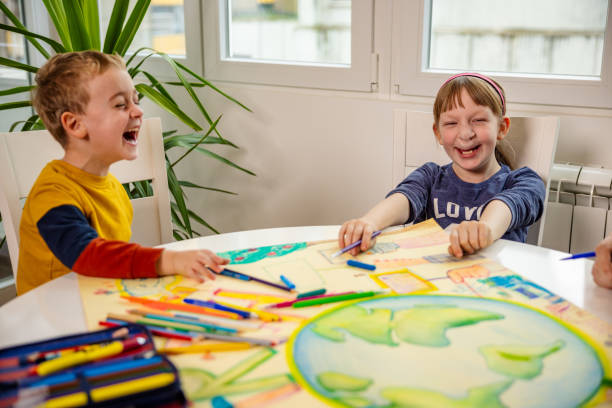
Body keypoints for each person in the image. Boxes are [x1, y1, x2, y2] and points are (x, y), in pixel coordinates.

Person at [16, 51, 228, 295]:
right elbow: (87, 254)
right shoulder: (52, 193)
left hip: (99, 302)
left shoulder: (113, 187)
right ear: (75, 124)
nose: (137, 111)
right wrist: (169, 260)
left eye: (136, 101)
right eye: (120, 104)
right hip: (52, 320)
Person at [338, 73, 545, 258]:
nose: (465, 134)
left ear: (501, 128)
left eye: (479, 120)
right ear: (438, 133)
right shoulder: (430, 176)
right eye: (451, 123)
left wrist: (484, 229)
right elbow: (403, 197)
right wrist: (370, 222)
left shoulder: (524, 182)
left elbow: (508, 204)